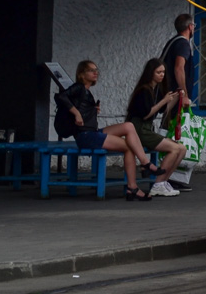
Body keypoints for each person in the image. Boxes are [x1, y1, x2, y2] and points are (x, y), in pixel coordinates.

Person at [54, 60, 161, 201]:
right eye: (91, 70)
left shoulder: (86, 92)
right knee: (129, 147)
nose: (95, 72)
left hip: (92, 132)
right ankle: (136, 181)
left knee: (128, 126)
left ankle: (141, 170)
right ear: (81, 74)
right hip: (85, 136)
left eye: (96, 69)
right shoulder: (79, 87)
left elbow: (83, 110)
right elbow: (61, 96)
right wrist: (76, 113)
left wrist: (92, 110)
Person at [126, 58, 186, 197]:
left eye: (163, 72)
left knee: (182, 149)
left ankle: (163, 181)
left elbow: (163, 110)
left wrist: (175, 98)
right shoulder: (144, 90)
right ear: (150, 73)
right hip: (139, 130)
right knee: (175, 148)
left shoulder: (155, 89)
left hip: (146, 130)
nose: (162, 75)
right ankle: (158, 184)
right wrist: (164, 101)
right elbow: (146, 114)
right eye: (158, 72)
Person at [159, 13, 195, 191]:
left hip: (168, 97)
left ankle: (169, 175)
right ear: (190, 27)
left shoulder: (173, 42)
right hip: (174, 99)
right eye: (193, 25)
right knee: (174, 136)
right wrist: (184, 94)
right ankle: (167, 177)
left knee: (172, 135)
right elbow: (179, 68)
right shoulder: (182, 44)